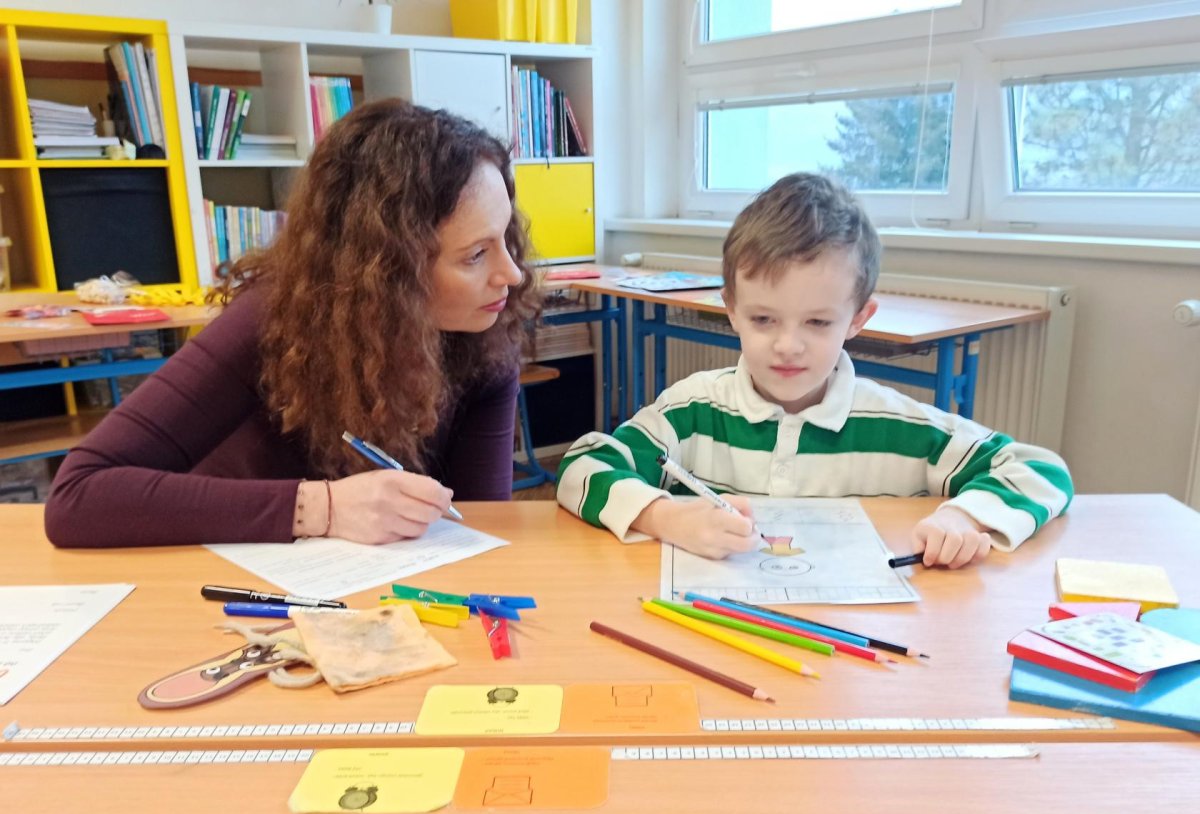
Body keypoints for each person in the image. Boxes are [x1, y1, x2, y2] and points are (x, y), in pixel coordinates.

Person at [45, 99, 539, 548]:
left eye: (504, 237)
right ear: (391, 270)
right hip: (233, 577)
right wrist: (324, 508)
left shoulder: (485, 336)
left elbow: (479, 526)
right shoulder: (269, 322)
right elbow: (77, 495)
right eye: (476, 255)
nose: (512, 274)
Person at [556, 173, 1073, 568]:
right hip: (714, 628)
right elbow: (582, 465)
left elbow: (1040, 471)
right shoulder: (691, 411)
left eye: (818, 322)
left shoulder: (899, 426)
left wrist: (962, 516)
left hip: (848, 644)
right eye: (763, 319)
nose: (787, 346)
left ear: (859, 319)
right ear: (731, 309)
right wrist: (665, 516)